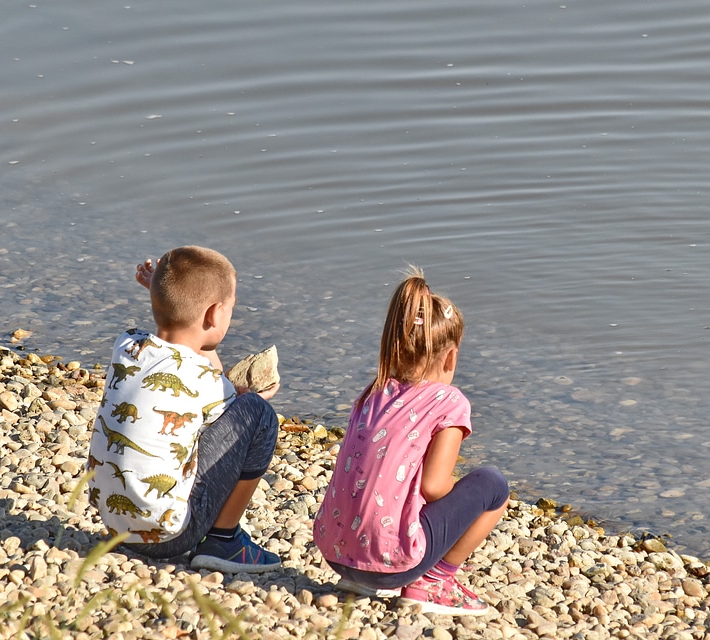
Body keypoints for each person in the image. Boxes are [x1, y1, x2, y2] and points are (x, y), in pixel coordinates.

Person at [312, 267, 510, 615]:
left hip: (337, 553)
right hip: (393, 564)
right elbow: (434, 487)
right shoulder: (449, 402)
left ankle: (364, 575)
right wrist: (456, 509)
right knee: (493, 485)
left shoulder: (372, 394)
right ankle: (434, 581)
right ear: (451, 357)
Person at [86, 246, 282, 573]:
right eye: (230, 310)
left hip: (113, 524)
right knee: (258, 415)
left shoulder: (127, 344)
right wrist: (254, 397)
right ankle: (225, 539)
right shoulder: (204, 380)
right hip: (170, 537)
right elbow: (227, 399)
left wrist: (163, 296)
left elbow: (187, 346)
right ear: (214, 314)